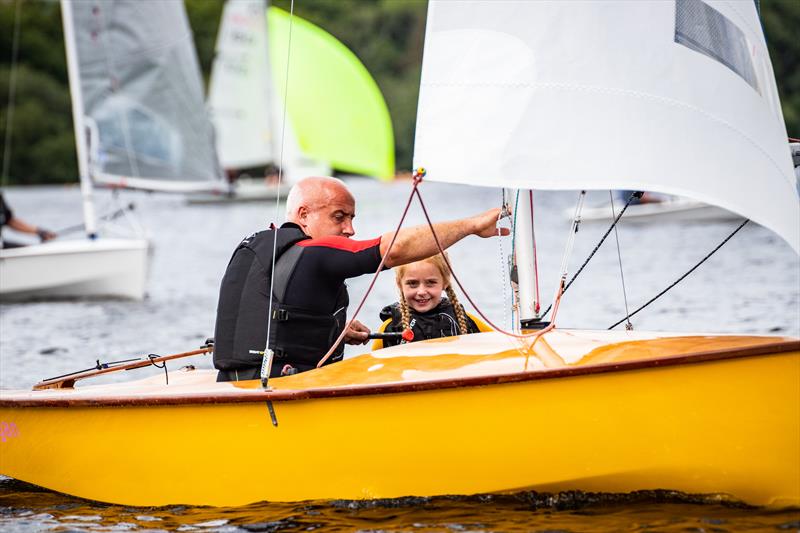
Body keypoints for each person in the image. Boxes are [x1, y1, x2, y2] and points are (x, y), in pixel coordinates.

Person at [213, 176, 507, 381]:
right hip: (281, 390)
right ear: (303, 215)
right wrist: (471, 225)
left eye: (352, 218)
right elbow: (395, 250)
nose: (350, 229)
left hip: (233, 382)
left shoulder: (256, 247)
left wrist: (329, 328)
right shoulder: (313, 251)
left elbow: (268, 317)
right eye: (339, 217)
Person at [378, 252, 479, 348]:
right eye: (412, 283)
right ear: (399, 284)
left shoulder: (461, 318)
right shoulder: (391, 327)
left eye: (431, 282)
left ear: (445, 281)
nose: (421, 292)